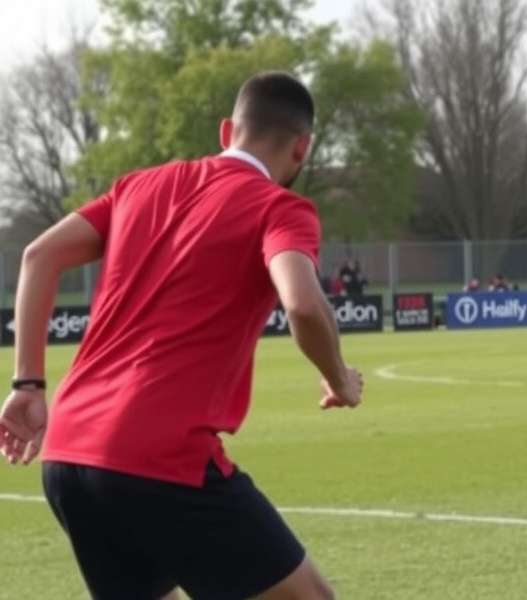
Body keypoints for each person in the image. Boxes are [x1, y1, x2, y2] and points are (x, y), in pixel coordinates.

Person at [0, 71, 363, 600]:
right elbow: (303, 303)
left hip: (69, 455)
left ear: (225, 131)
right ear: (302, 148)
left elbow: (40, 255)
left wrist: (27, 384)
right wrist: (338, 378)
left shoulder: (137, 186)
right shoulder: (280, 208)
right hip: (160, 458)